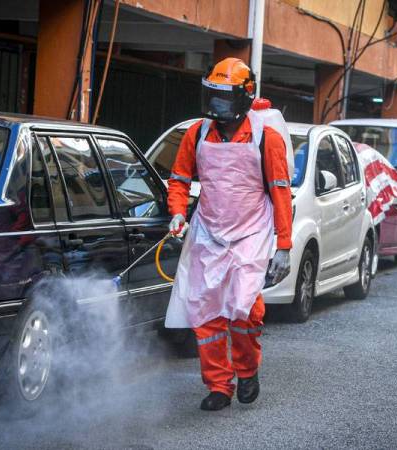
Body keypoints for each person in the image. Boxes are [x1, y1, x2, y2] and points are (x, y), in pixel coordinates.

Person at [164, 57, 293, 411]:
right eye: (212, 98)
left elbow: (280, 190)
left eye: (224, 99)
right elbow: (179, 180)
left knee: (243, 309)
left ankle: (247, 371)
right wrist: (177, 213)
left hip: (251, 232)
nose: (216, 107)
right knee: (205, 313)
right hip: (208, 231)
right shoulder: (197, 132)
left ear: (244, 98)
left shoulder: (266, 137)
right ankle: (219, 385)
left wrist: (284, 246)